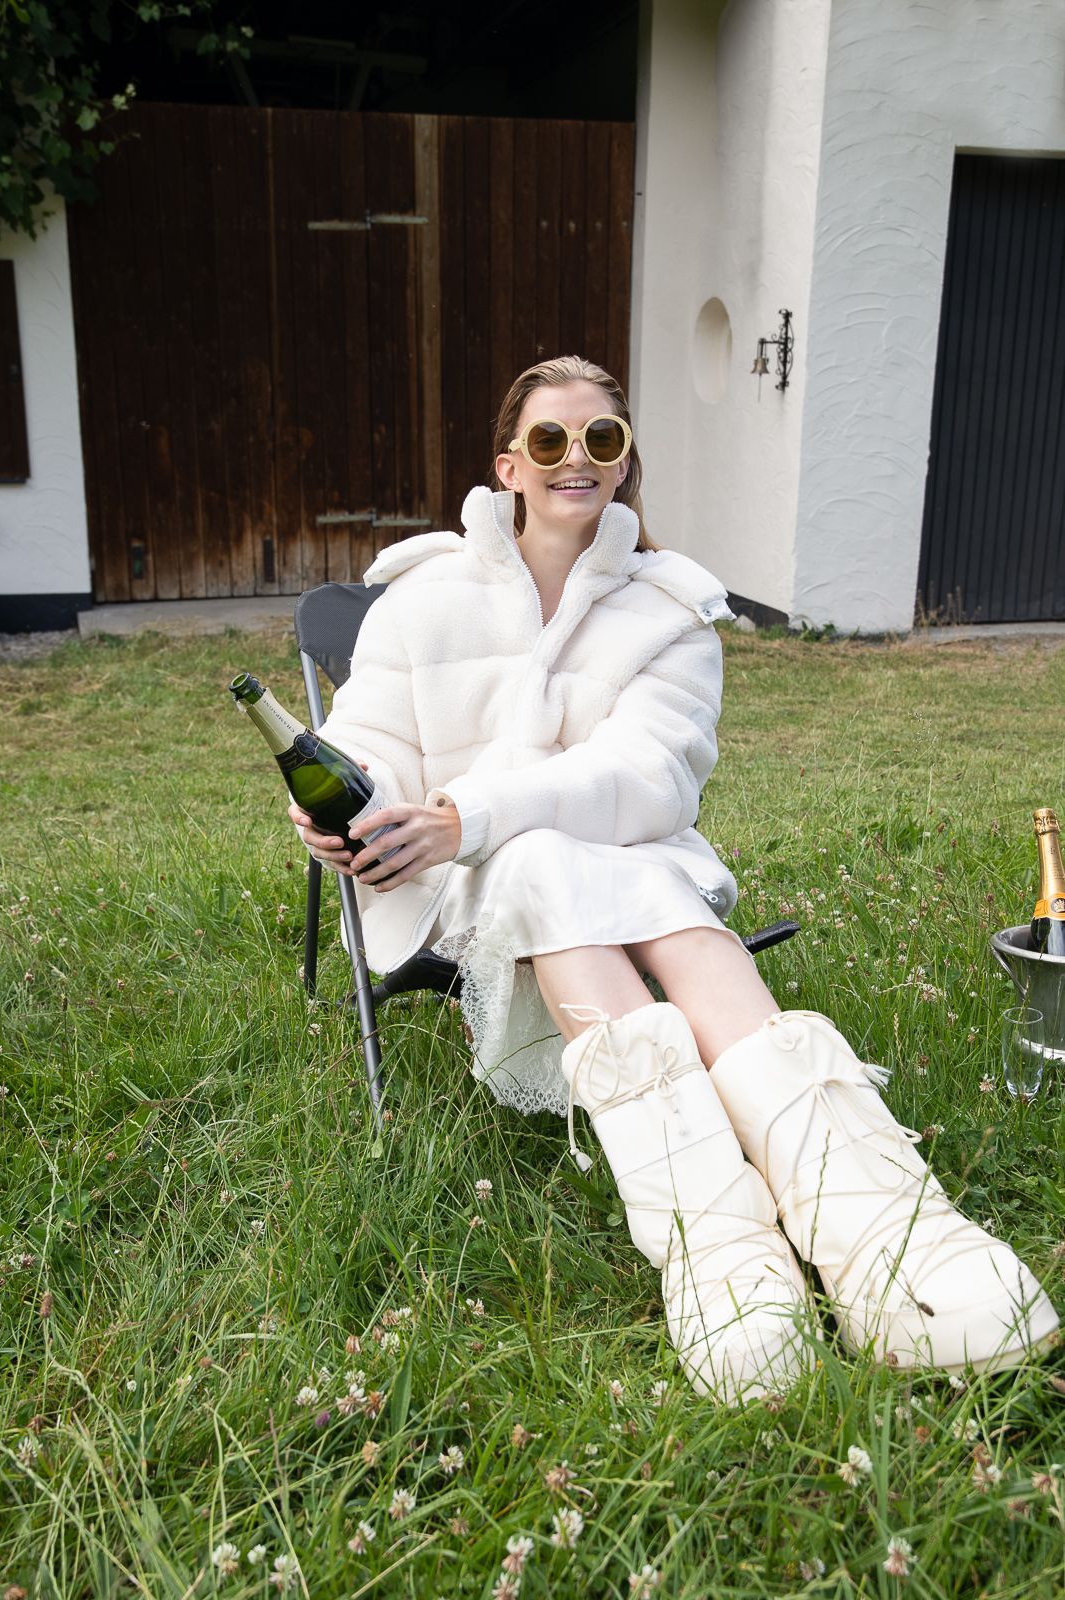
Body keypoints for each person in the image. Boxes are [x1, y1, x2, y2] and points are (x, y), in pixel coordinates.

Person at [289, 354, 1058, 1403]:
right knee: (537, 857)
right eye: (549, 439)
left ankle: (777, 1241)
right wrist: (354, 810)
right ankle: (850, 1221)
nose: (575, 458)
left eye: (600, 438)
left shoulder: (667, 609)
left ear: (622, 461)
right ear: (507, 465)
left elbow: (649, 778)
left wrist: (481, 810)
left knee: (557, 857)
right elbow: (366, 745)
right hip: (452, 879)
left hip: (623, 857)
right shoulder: (420, 601)